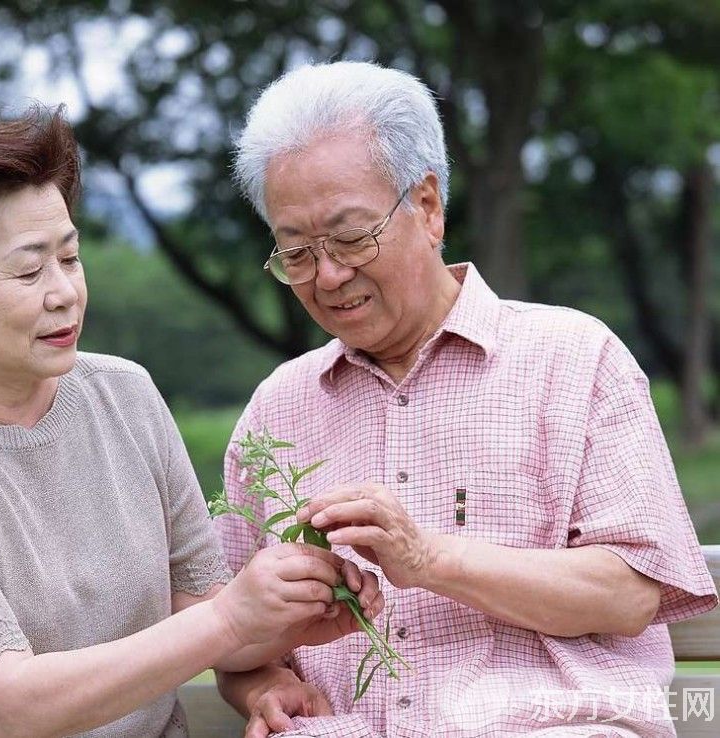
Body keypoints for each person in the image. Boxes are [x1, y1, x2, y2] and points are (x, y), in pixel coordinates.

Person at [0, 107, 384, 738]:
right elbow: (14, 709)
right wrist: (232, 618)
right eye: (29, 269)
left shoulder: (125, 394)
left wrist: (288, 616)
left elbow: (201, 610)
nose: (64, 291)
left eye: (70, 257)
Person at [214, 61, 719, 738]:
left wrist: (430, 561)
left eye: (351, 237)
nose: (328, 276)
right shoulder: (276, 411)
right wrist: (262, 685)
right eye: (296, 252)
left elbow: (630, 593)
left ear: (426, 207)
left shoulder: (573, 359)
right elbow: (230, 631)